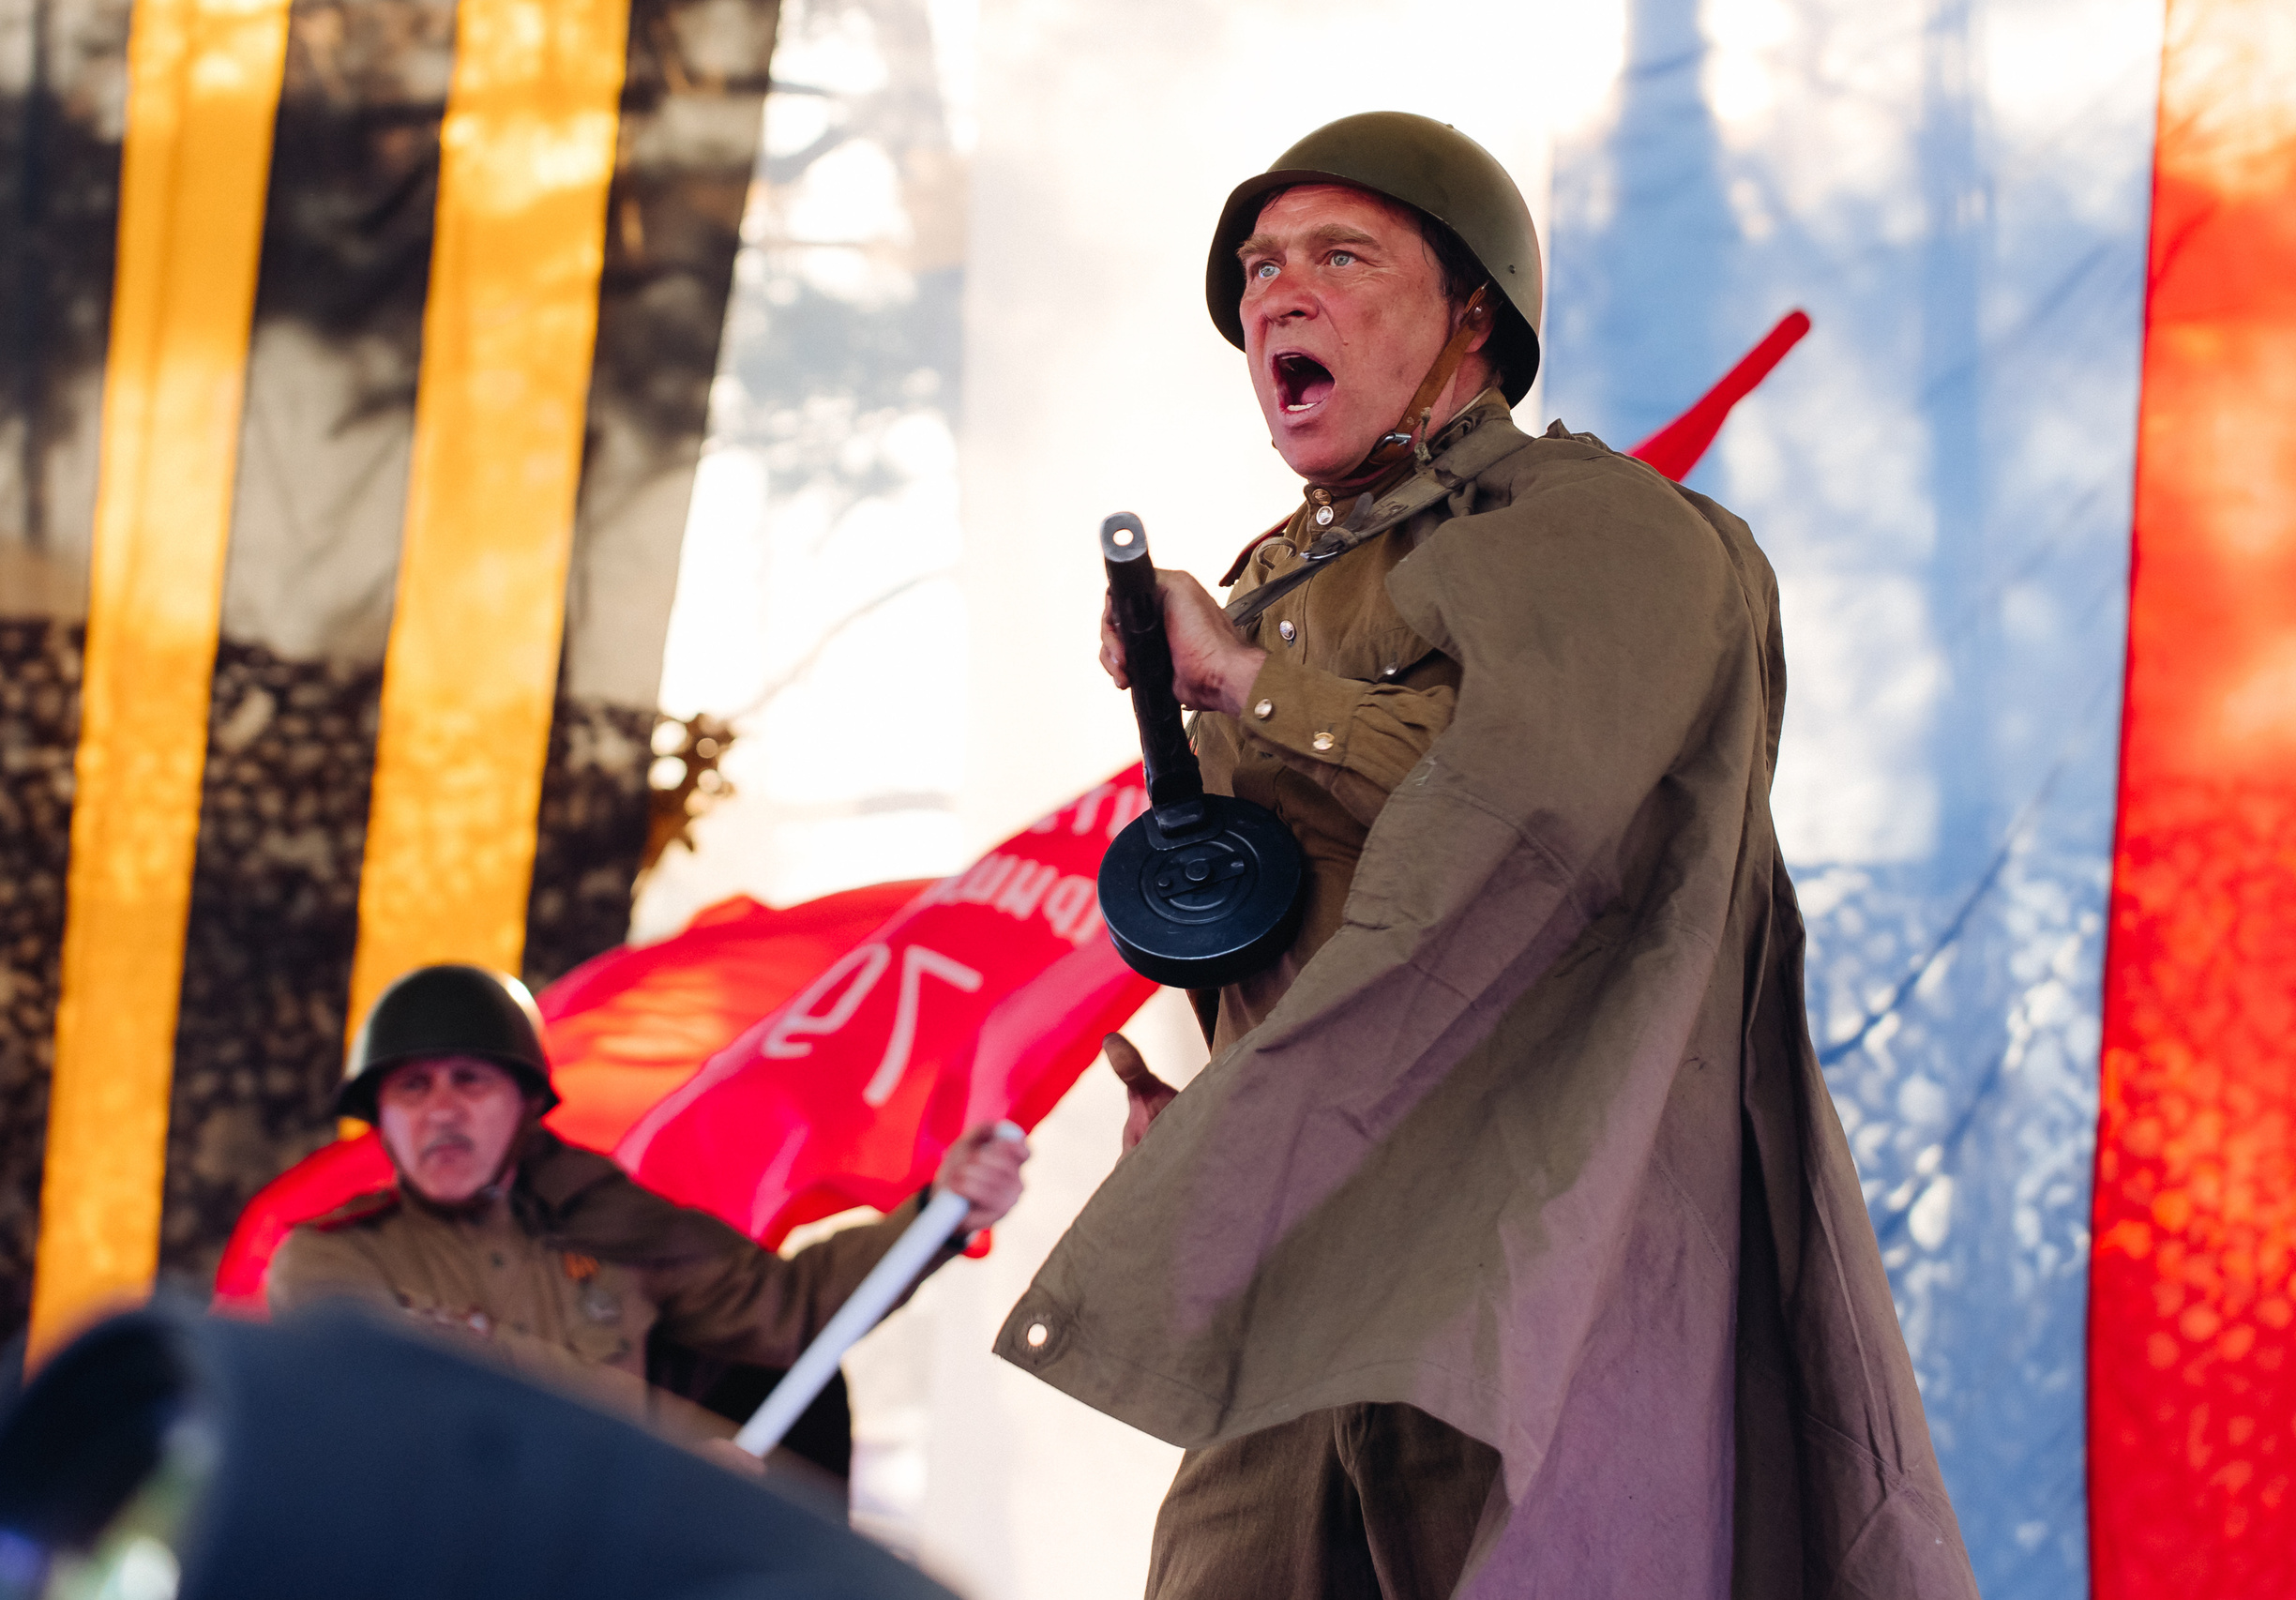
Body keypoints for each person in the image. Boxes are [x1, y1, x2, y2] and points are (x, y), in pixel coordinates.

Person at [1002, 113, 1979, 1598]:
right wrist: (1221, 1087)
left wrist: (1250, 688)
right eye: (1262, 268)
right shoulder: (1279, 572)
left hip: (1518, 1269)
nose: (1278, 296)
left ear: (1475, 312)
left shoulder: (1615, 532)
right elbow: (1328, 915)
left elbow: (1537, 826)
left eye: (1340, 256)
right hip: (1298, 1268)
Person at [269, 963, 1027, 1471]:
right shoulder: (331, 1260)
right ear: (379, 1119)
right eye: (411, 1089)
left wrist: (939, 1209)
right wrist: (685, 1454)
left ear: (528, 1102)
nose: (441, 1112)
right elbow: (426, 1386)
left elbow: (786, 1310)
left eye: (469, 1081)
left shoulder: (607, 1219)